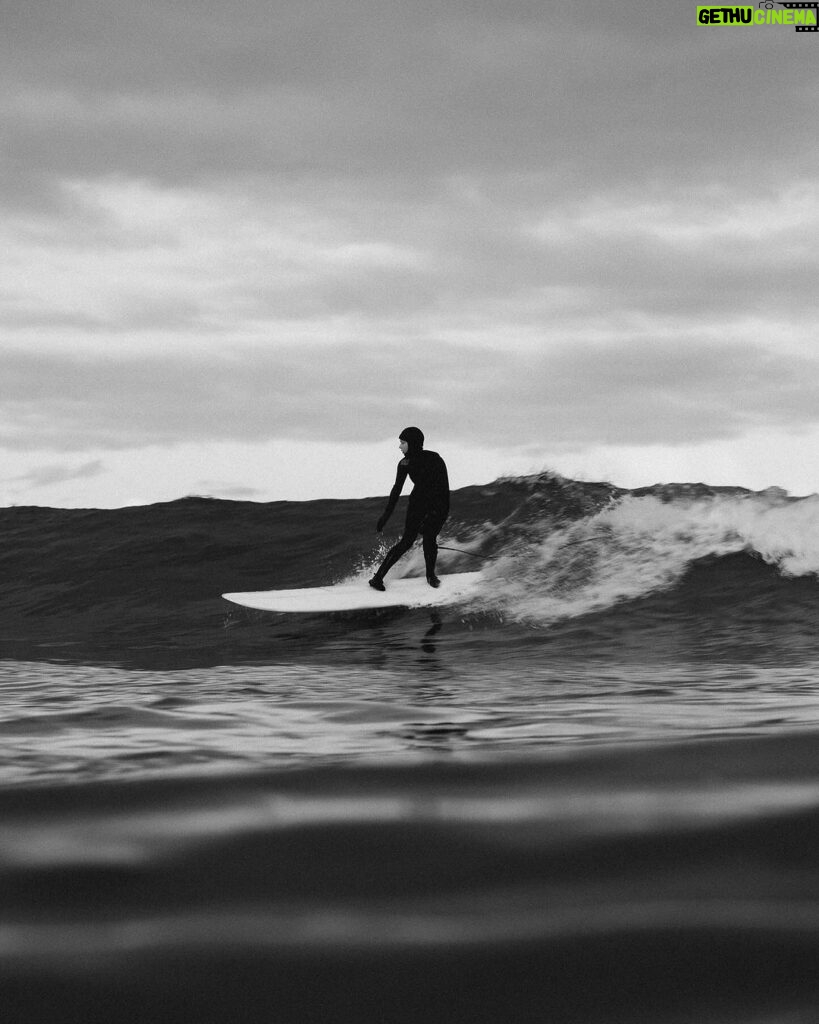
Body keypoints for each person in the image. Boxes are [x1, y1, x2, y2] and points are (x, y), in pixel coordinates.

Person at [369, 427, 450, 591]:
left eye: (403, 443)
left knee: (429, 538)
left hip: (436, 504)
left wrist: (436, 514)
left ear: (412, 443)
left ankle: (430, 576)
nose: (400, 447)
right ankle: (377, 578)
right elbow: (396, 489)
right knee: (406, 541)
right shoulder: (404, 463)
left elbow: (443, 488)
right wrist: (386, 515)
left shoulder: (434, 459)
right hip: (417, 503)